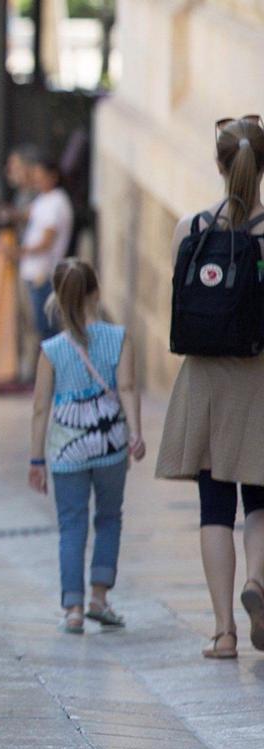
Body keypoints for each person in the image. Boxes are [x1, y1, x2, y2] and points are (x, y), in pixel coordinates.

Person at [156, 115, 264, 660]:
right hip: (259, 381)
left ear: (220, 166)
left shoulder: (191, 229)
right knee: (261, 503)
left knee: (214, 508)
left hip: (204, 381)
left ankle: (223, 632)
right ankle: (259, 584)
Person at [28, 259, 146, 633]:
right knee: (109, 517)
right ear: (96, 293)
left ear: (59, 300)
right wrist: (135, 433)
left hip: (67, 450)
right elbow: (127, 388)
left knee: (71, 526)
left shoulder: (51, 350)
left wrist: (36, 459)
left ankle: (73, 609)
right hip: (110, 444)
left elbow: (40, 407)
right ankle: (99, 597)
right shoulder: (119, 337)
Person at [15, 156, 74, 343]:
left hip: (44, 272)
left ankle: (56, 370)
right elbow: (26, 214)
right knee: (41, 326)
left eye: (41, 176)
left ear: (52, 176)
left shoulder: (57, 202)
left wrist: (19, 251)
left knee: (47, 327)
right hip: (34, 272)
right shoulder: (43, 199)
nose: (37, 180)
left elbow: (47, 242)